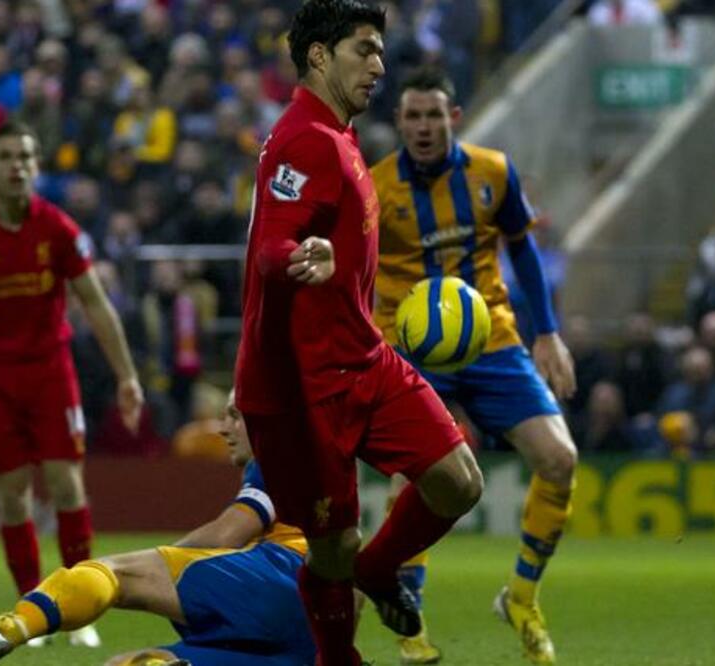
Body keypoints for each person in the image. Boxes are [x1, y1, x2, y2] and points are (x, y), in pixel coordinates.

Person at [235, 3, 484, 665]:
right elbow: (270, 247)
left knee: (459, 482)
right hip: (300, 387)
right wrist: (300, 258)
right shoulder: (303, 140)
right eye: (365, 50)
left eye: (380, 51)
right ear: (319, 54)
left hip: (363, 357)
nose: (379, 65)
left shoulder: (338, 134)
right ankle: (338, 657)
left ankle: (381, 571)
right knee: (331, 548)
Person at [372, 67, 578, 665]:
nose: (423, 127)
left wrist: (548, 334)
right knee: (415, 477)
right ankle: (409, 617)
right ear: (399, 122)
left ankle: (521, 596)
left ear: (453, 118)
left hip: (491, 339)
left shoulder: (493, 171)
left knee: (559, 459)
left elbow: (523, 247)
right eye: (412, 116)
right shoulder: (377, 187)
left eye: (433, 115)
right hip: (412, 352)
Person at [0, 120, 144, 649]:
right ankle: (31, 607)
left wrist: (127, 376)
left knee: (68, 486)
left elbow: (95, 302)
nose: (17, 166)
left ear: (37, 167)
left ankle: (78, 606)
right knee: (12, 497)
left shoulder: (59, 229)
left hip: (50, 370)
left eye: (25, 157)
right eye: (6, 158)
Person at [0, 390, 316, 666]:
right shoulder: (310, 459)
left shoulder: (277, 454)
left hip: (282, 579)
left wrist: (159, 567)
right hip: (304, 638)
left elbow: (227, 534)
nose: (223, 427)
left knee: (117, 573)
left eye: (235, 415)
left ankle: (7, 628)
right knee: (129, 663)